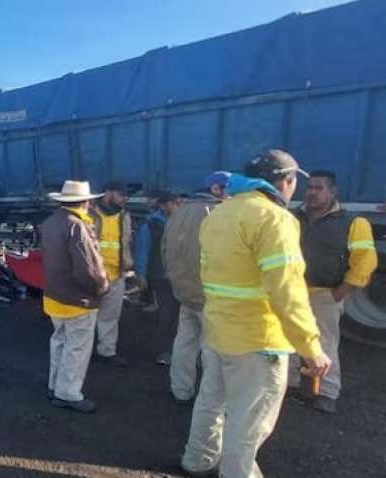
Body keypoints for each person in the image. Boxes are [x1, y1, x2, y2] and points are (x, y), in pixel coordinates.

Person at [181, 150, 332, 478]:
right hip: (258, 341)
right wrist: (311, 348)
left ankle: (197, 460)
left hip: (219, 333)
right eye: (295, 182)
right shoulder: (275, 219)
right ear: (286, 181)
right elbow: (287, 292)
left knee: (211, 403)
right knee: (247, 425)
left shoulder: (218, 214)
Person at [287, 170, 377, 414]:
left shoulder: (353, 223)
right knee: (291, 340)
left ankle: (327, 392)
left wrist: (341, 291)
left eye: (319, 188)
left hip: (325, 294)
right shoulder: (292, 218)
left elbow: (365, 261)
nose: (312, 193)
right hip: (293, 292)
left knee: (324, 344)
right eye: (309, 188)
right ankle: (292, 383)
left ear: (332, 192)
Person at [40, 180, 110, 413]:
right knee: (77, 348)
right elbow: (87, 268)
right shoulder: (77, 226)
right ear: (86, 202)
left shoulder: (51, 222)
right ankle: (68, 394)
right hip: (76, 299)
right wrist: (101, 288)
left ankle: (55, 386)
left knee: (59, 341)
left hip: (54, 297)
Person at [162, 171, 231, 404]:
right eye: (229, 190)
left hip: (183, 292)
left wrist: (176, 281)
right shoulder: (217, 213)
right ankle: (210, 400)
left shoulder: (178, 212)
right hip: (209, 295)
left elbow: (165, 250)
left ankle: (180, 389)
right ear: (216, 189)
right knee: (213, 351)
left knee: (184, 341)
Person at [134, 190, 182, 365]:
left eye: (178, 202)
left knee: (182, 316)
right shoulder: (150, 224)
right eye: (172, 203)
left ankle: (180, 351)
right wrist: (141, 274)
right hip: (161, 277)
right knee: (167, 315)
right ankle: (166, 351)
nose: (177, 206)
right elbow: (142, 249)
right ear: (163, 205)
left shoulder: (182, 222)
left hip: (180, 276)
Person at [91, 181, 134, 367]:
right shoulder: (91, 214)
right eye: (122, 194)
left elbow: (126, 242)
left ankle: (106, 352)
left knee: (110, 316)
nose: (126, 198)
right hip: (92, 275)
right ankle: (82, 352)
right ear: (108, 193)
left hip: (116, 274)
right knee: (86, 317)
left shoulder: (124, 215)